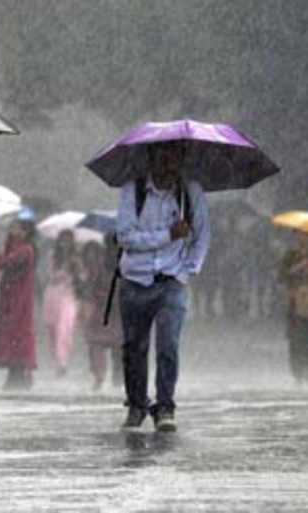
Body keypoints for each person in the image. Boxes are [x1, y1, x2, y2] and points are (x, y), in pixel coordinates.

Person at [116, 142, 210, 432]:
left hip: (173, 281)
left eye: (175, 161)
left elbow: (202, 235)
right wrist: (167, 235)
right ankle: (136, 405)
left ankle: (165, 406)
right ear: (151, 160)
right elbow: (126, 237)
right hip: (135, 281)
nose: (169, 168)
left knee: (168, 344)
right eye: (163, 160)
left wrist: (188, 269)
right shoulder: (133, 191)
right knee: (134, 346)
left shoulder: (190, 192)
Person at [0, 218, 38, 389]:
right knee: (10, 333)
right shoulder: (14, 247)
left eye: (21, 230)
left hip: (20, 299)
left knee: (18, 332)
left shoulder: (26, 250)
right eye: (15, 229)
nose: (16, 233)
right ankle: (14, 372)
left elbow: (4, 263)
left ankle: (21, 372)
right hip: (10, 298)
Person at [79, 239, 123, 391]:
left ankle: (103, 377)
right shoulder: (123, 262)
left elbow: (90, 287)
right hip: (109, 310)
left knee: (100, 345)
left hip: (109, 310)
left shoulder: (101, 263)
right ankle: (110, 378)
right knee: (110, 346)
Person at [42, 229, 80, 376]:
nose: (65, 244)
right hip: (52, 295)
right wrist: (61, 273)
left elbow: (82, 277)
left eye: (68, 240)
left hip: (68, 296)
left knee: (64, 330)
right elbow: (49, 275)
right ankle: (57, 359)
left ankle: (62, 362)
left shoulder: (76, 258)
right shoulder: (52, 256)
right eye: (63, 240)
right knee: (51, 330)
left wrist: (75, 269)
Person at [278, 231, 308, 384]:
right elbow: (281, 277)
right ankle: (298, 374)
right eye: (300, 235)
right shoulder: (290, 255)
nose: (302, 238)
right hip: (295, 304)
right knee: (296, 340)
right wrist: (298, 267)